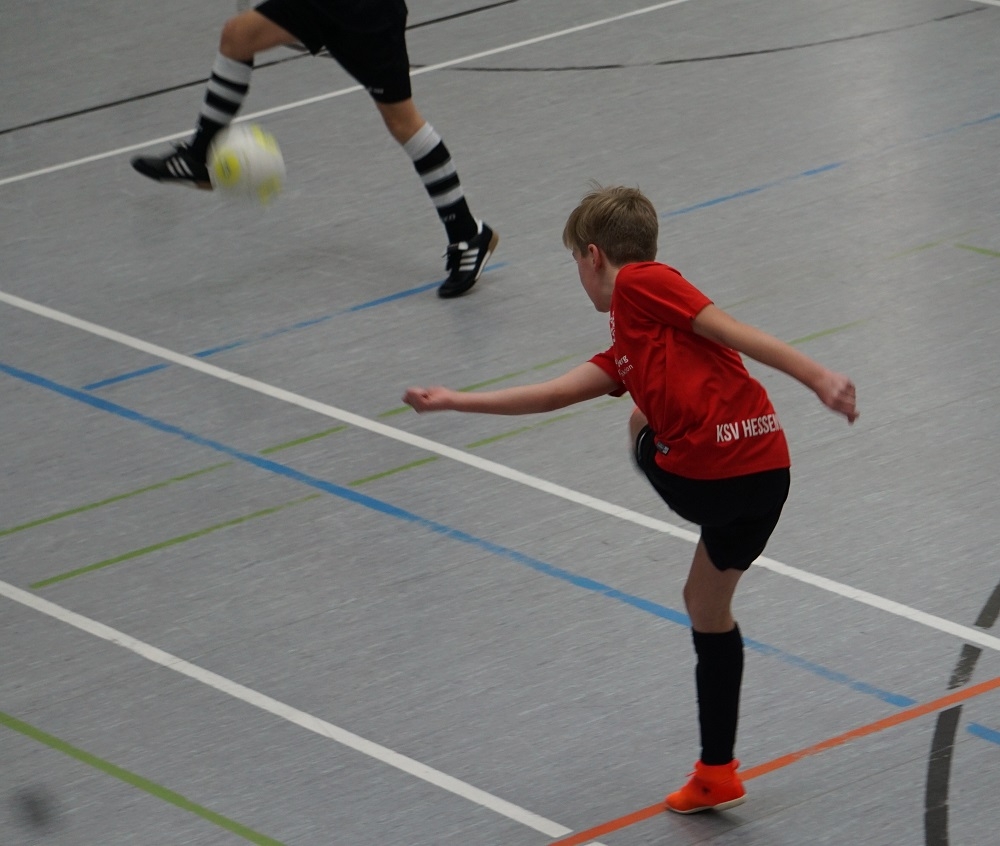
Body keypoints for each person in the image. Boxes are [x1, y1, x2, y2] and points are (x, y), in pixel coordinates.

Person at [403, 185, 858, 813]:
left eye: (574, 262)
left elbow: (733, 330)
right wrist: (458, 401)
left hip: (707, 476)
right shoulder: (633, 343)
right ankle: (716, 773)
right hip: (767, 471)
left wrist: (818, 376)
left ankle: (717, 770)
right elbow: (554, 393)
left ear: (593, 256)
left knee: (639, 420)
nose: (579, 276)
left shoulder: (641, 283)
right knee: (704, 604)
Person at [131, 0, 498, 298]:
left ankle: (468, 234)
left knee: (402, 122)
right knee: (237, 35)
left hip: (366, 12)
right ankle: (198, 158)